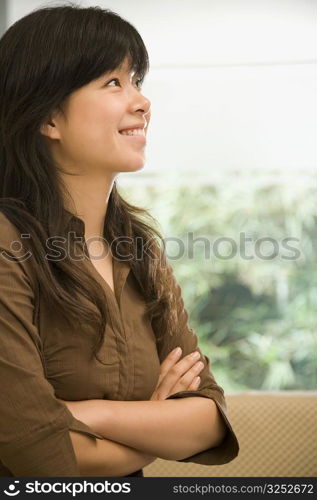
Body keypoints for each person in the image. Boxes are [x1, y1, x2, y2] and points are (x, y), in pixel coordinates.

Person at [0, 4, 239, 477]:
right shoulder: (8, 244)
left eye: (137, 82)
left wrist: (89, 416)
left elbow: (210, 418)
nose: (141, 102)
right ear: (49, 118)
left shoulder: (141, 251)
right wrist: (156, 424)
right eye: (114, 82)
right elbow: (35, 454)